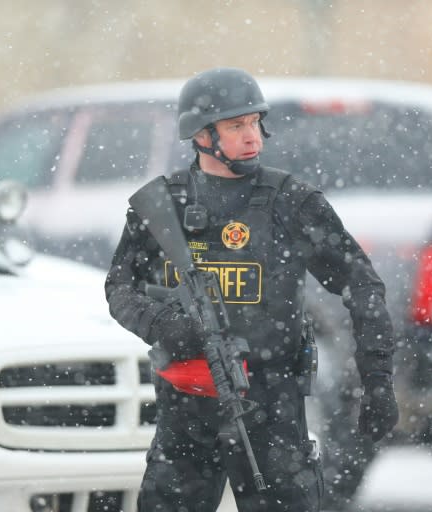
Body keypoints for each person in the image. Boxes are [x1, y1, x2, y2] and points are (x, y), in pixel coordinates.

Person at [105, 67, 398, 512]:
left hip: (271, 405)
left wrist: (376, 380)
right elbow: (119, 288)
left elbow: (362, 284)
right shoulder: (164, 205)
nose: (253, 137)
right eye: (236, 125)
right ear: (202, 135)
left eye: (256, 123)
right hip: (187, 406)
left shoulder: (290, 202)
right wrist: (165, 325)